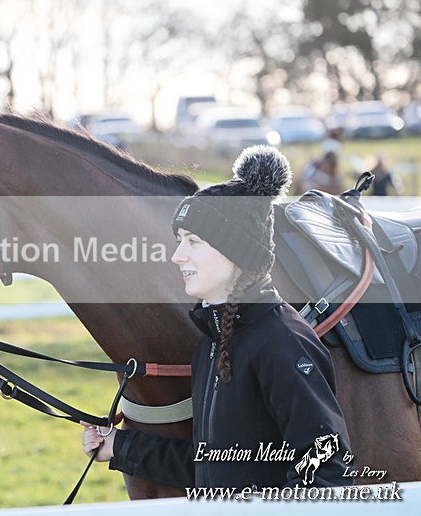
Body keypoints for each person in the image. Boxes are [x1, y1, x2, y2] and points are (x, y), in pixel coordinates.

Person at [81, 145, 353, 489]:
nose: (178, 256)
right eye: (180, 241)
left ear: (236, 253)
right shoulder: (212, 344)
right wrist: (119, 446)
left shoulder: (282, 344)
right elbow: (217, 468)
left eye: (193, 241)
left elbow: (327, 473)